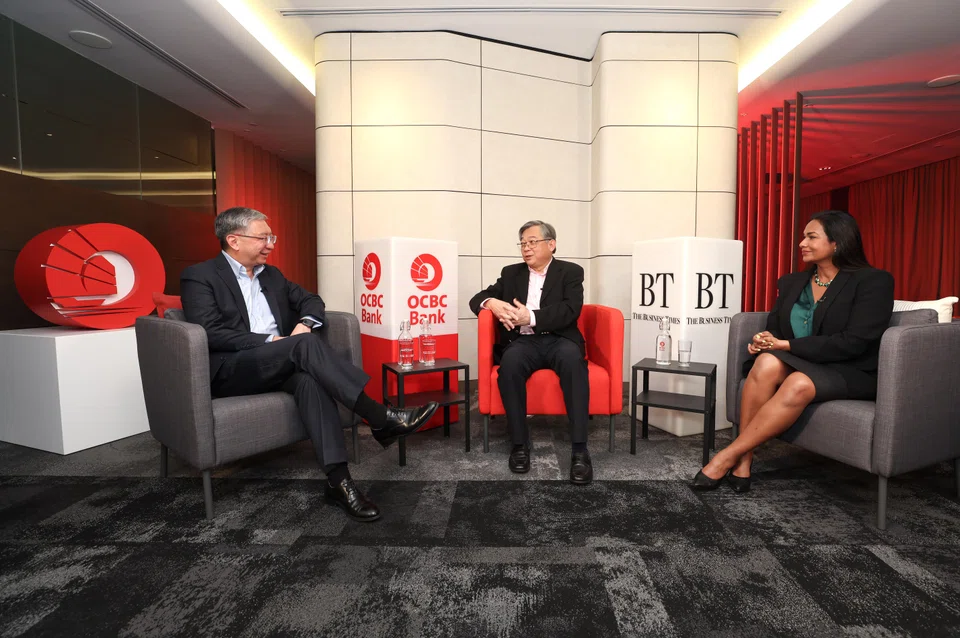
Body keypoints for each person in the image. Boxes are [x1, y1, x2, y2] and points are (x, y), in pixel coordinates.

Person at [181, 207, 439, 522]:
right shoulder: (200, 276)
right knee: (302, 347)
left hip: (280, 363)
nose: (270, 244)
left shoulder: (272, 275)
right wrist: (273, 344)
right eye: (263, 237)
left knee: (310, 381)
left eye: (271, 237)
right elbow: (211, 332)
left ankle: (339, 483)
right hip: (233, 369)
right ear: (233, 240)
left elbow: (312, 300)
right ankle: (379, 416)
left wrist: (304, 323)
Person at [691, 210, 894, 493]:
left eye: (811, 236)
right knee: (764, 363)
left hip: (851, 367)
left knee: (797, 383)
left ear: (837, 242)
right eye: (803, 236)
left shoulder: (873, 281)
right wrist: (764, 340)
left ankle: (727, 456)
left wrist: (784, 346)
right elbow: (776, 328)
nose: (802, 243)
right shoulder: (791, 283)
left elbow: (856, 341)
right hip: (803, 360)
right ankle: (745, 459)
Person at [469, 220, 592, 484]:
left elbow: (571, 310)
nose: (526, 248)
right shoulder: (511, 273)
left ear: (551, 244)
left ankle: (580, 450)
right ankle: (519, 444)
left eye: (532, 242)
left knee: (573, 362)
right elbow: (476, 298)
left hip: (560, 340)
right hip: (524, 343)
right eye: (523, 243)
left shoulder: (571, 272)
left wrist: (531, 317)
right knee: (510, 366)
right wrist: (492, 303)